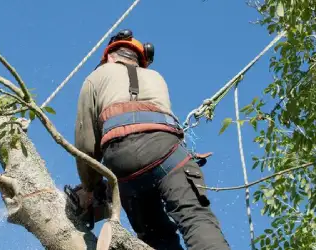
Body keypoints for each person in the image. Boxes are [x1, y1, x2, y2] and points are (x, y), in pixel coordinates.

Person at [73, 29, 231, 250]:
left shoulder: (96, 77)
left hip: (121, 161)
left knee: (155, 235)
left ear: (109, 56)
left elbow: (85, 144)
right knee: (195, 218)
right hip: (166, 152)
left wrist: (91, 188)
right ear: (140, 59)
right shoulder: (156, 77)